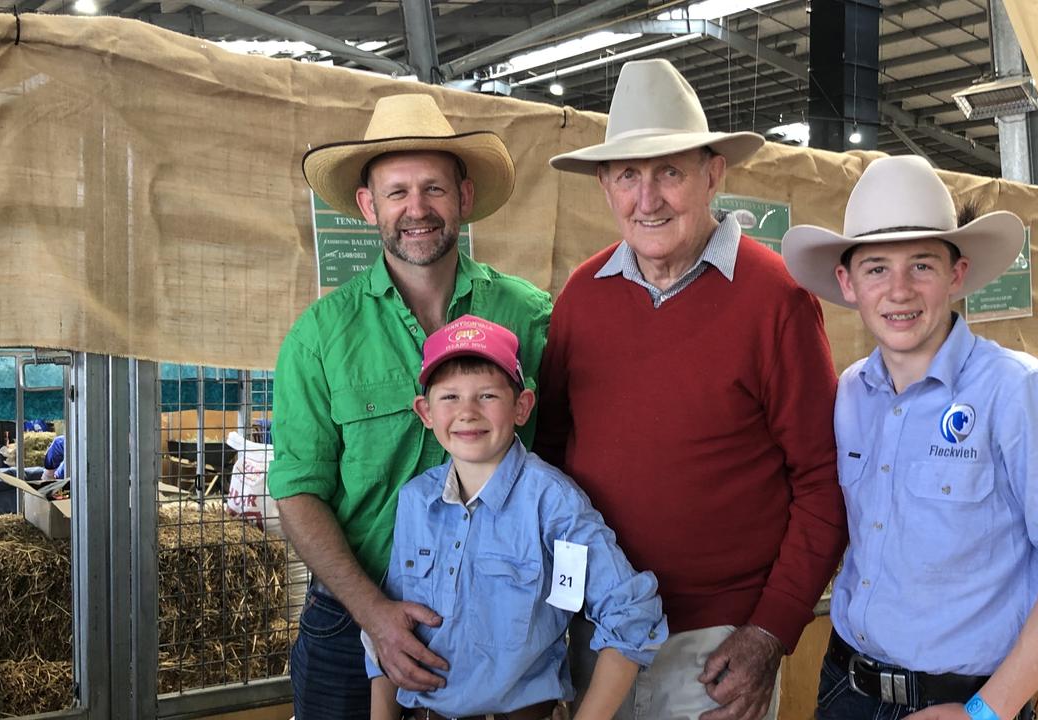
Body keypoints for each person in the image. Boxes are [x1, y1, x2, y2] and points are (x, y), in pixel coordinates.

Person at [539, 58, 847, 720]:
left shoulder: (776, 299)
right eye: (628, 176)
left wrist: (770, 631)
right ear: (604, 185)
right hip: (599, 632)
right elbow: (551, 458)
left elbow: (823, 479)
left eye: (669, 172)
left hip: (716, 651)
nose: (647, 199)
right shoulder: (580, 299)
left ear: (714, 174)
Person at [780, 155, 1038, 720]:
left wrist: (986, 712)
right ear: (847, 284)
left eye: (921, 265)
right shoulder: (850, 396)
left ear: (956, 274)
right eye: (875, 269)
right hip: (847, 688)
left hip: (968, 699)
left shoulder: (1020, 393)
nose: (899, 291)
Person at [269, 93, 552, 719]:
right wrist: (374, 613)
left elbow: (556, 463)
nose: (417, 210)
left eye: (434, 189)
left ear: (465, 198)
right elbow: (296, 490)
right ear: (368, 205)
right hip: (350, 620)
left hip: (498, 622)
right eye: (396, 193)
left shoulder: (530, 317)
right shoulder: (320, 336)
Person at [366, 315, 668, 720]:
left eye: (487, 396)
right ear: (425, 411)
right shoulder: (415, 501)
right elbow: (389, 631)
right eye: (449, 397)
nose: (467, 412)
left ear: (522, 406)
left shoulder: (552, 502)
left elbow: (632, 615)